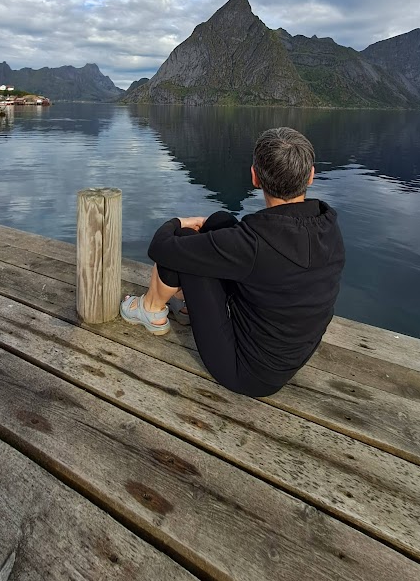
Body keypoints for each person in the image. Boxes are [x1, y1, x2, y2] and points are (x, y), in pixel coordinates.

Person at [120, 127, 345, 397]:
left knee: (183, 244)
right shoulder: (328, 227)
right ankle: (187, 308)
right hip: (290, 356)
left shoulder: (253, 244)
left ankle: (150, 310)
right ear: (311, 176)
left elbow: (161, 248)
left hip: (244, 373)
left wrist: (177, 222)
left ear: (254, 177)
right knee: (220, 222)